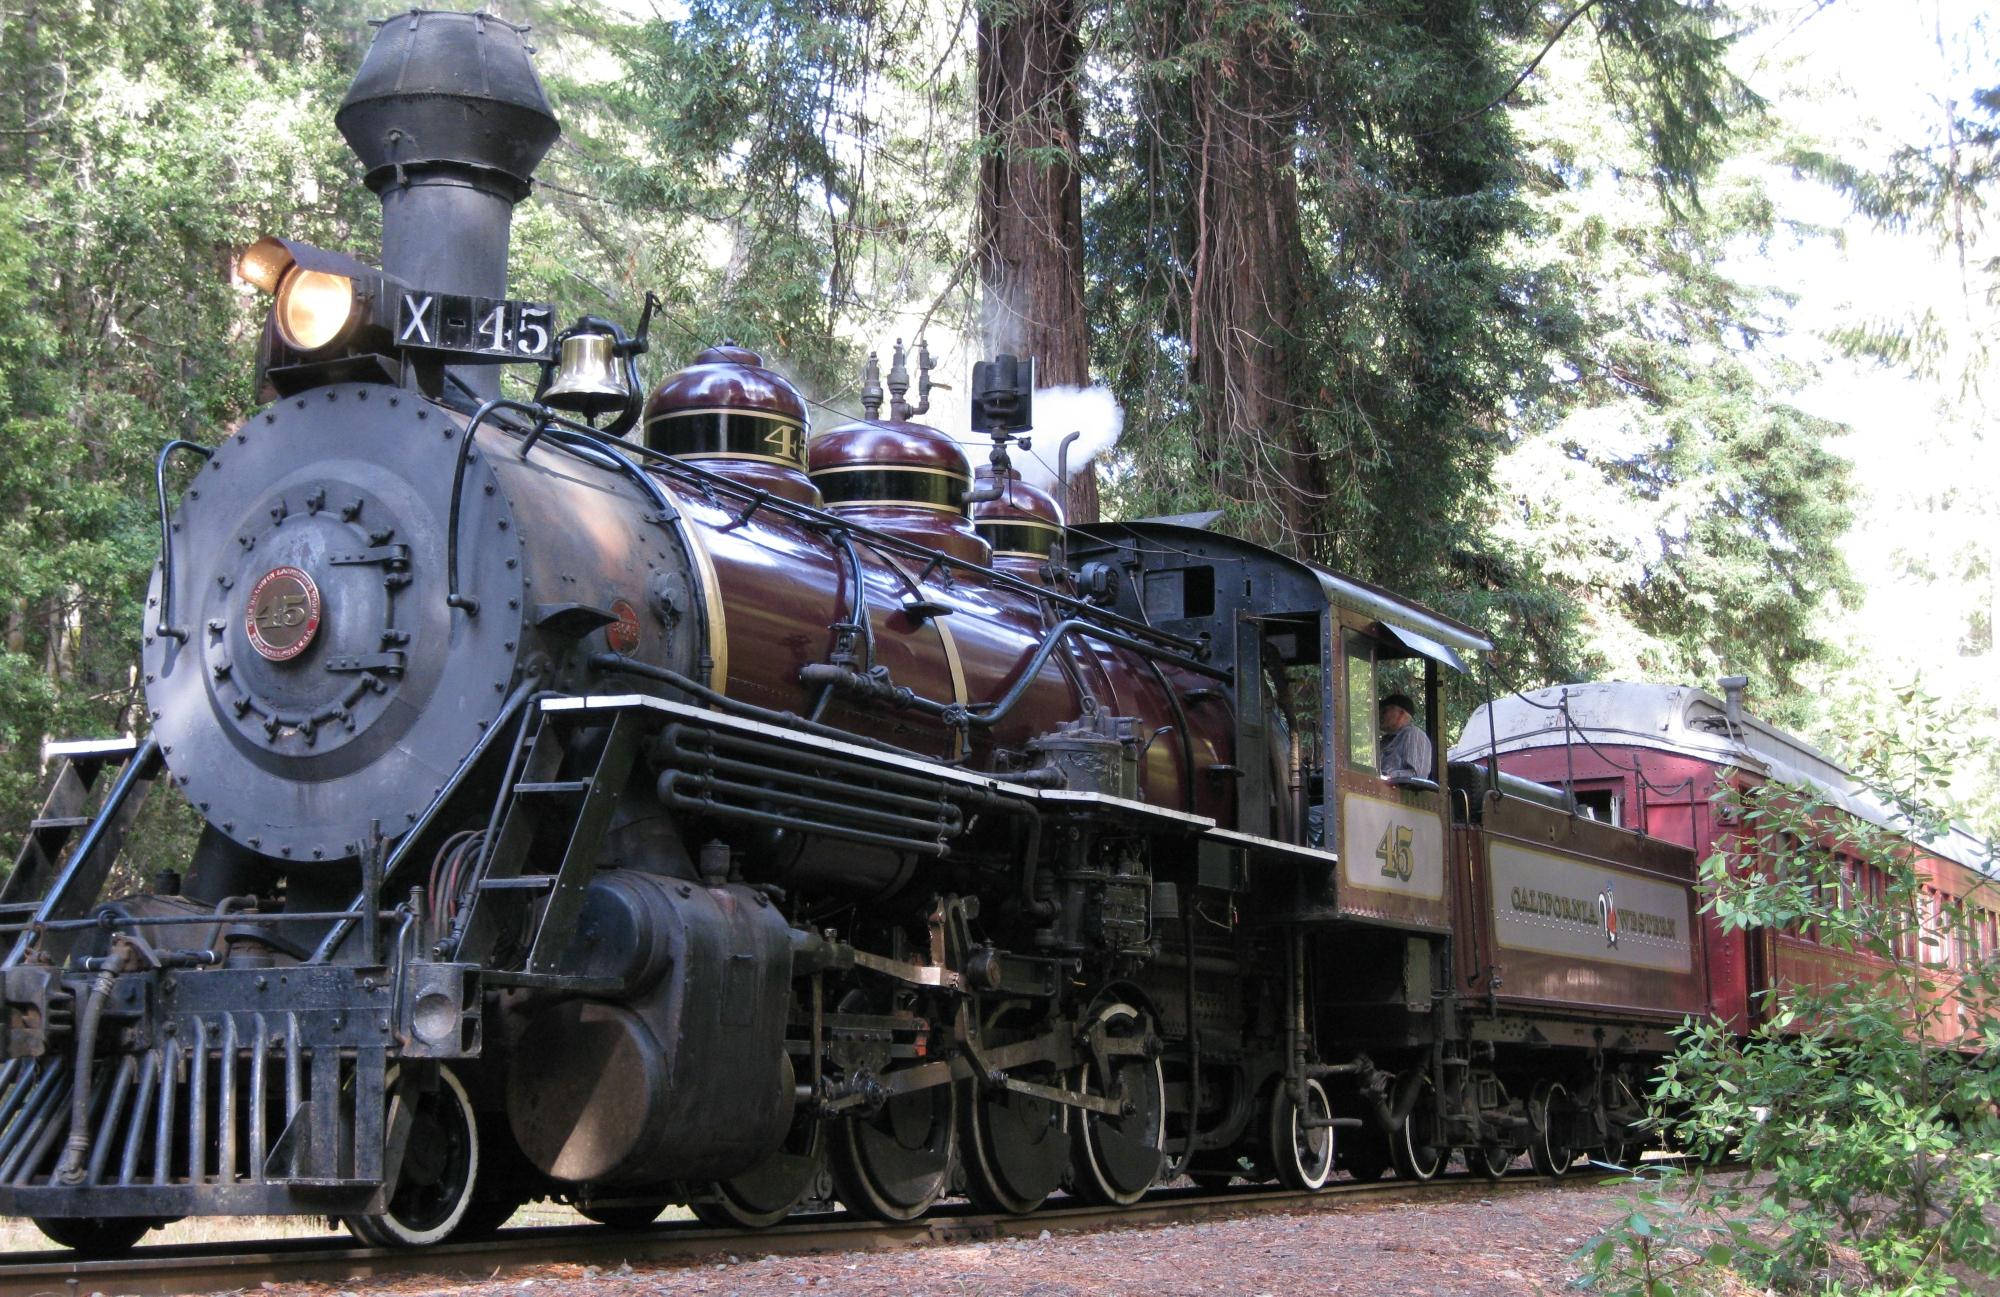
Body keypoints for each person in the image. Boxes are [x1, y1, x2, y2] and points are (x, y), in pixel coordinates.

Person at [1378, 693, 1434, 783]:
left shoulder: (1413, 734)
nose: (1380, 715)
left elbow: (1417, 776)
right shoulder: (1384, 742)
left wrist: (1386, 777)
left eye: (1384, 711)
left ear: (1401, 714)